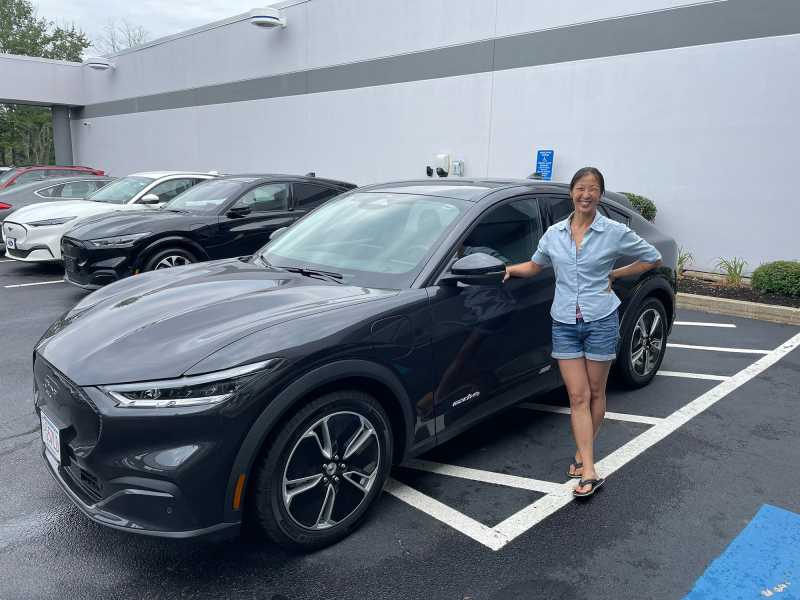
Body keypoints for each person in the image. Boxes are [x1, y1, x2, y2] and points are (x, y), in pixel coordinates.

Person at [504, 167, 662, 497]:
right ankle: (589, 468)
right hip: (564, 322)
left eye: (592, 189)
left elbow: (652, 258)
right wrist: (507, 269)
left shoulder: (613, 232)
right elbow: (534, 265)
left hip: (601, 319)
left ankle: (584, 459)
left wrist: (616, 274)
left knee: (595, 392)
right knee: (577, 396)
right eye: (580, 188)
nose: (585, 195)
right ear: (571, 193)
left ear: (600, 195)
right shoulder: (554, 234)